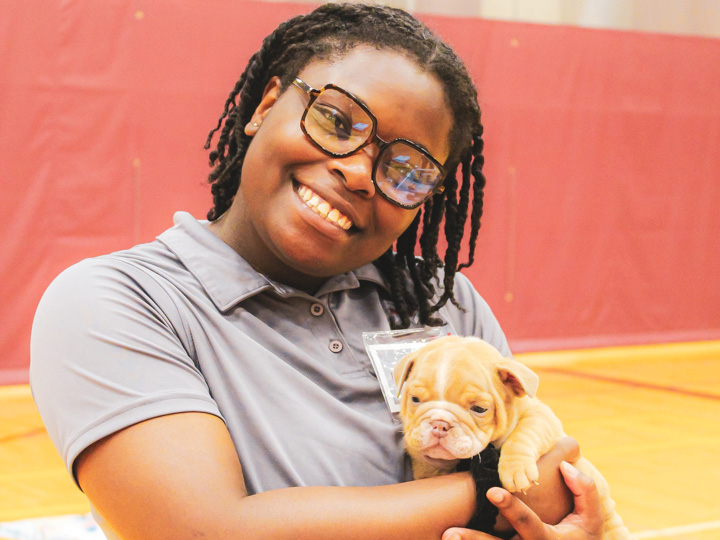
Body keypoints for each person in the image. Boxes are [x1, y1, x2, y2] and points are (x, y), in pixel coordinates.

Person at [30, 4, 603, 540]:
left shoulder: (445, 302)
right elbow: (205, 530)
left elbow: (540, 472)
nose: (357, 173)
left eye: (406, 170)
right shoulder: (116, 301)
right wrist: (484, 495)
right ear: (264, 107)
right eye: (335, 120)